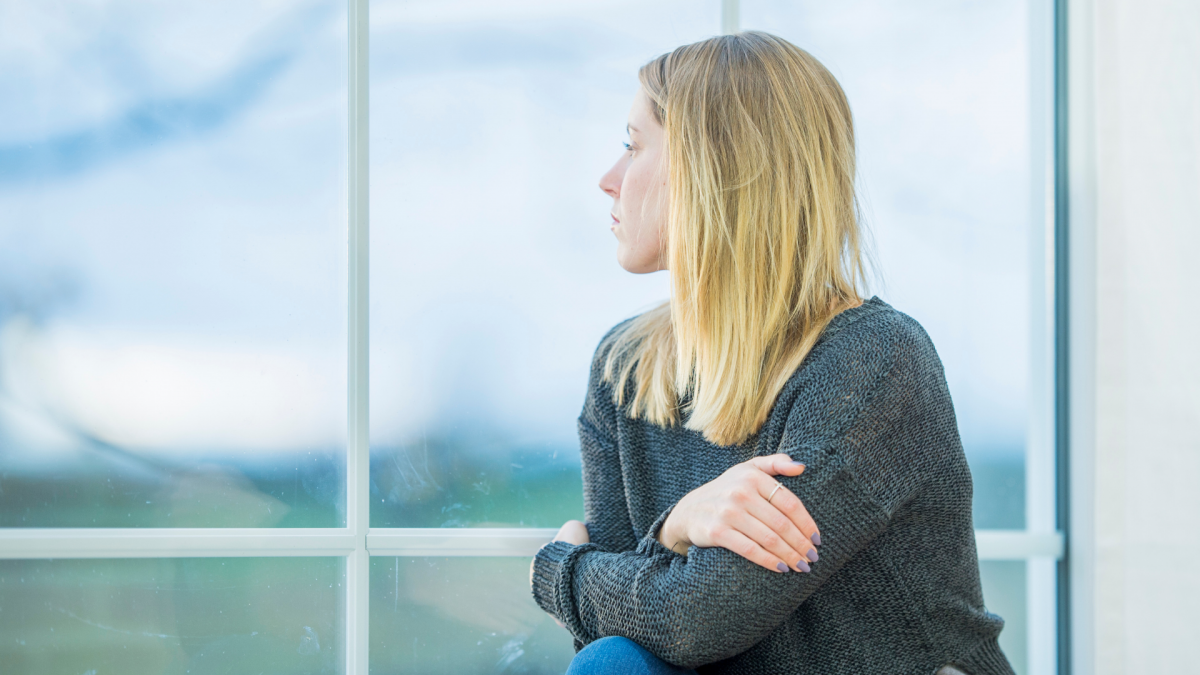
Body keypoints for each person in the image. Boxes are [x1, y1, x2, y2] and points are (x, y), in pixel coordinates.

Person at [529, 31, 1013, 675]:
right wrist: (676, 528)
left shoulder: (873, 360)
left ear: (712, 169)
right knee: (613, 663)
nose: (608, 179)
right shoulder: (626, 369)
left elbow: (698, 618)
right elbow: (617, 630)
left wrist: (557, 572)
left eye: (633, 144)